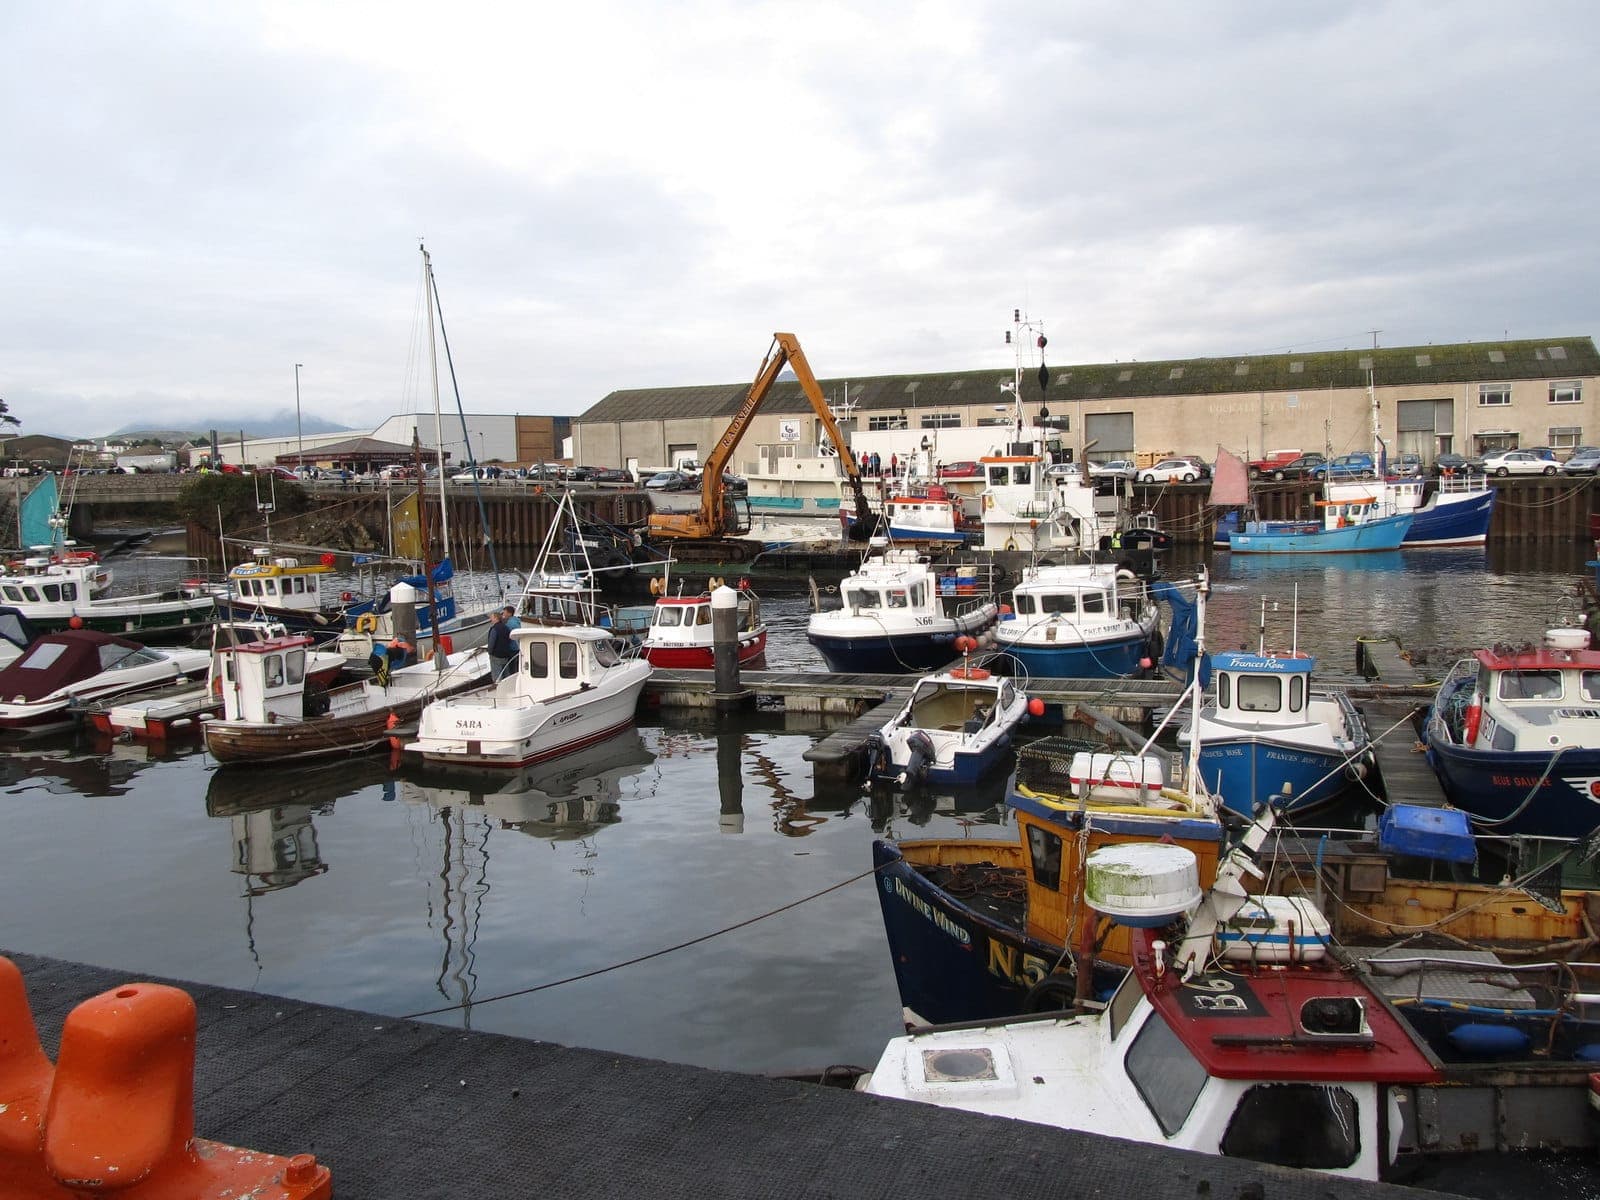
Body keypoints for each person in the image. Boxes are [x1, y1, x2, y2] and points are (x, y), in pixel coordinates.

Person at [485, 610, 514, 681]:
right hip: (505, 654)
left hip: (496, 655)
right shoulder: (506, 627)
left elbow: (491, 642)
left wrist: (490, 652)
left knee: (497, 675)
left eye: (492, 617)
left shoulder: (494, 629)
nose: (490, 619)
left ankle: (498, 687)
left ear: (496, 618)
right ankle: (507, 686)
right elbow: (509, 639)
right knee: (506, 674)